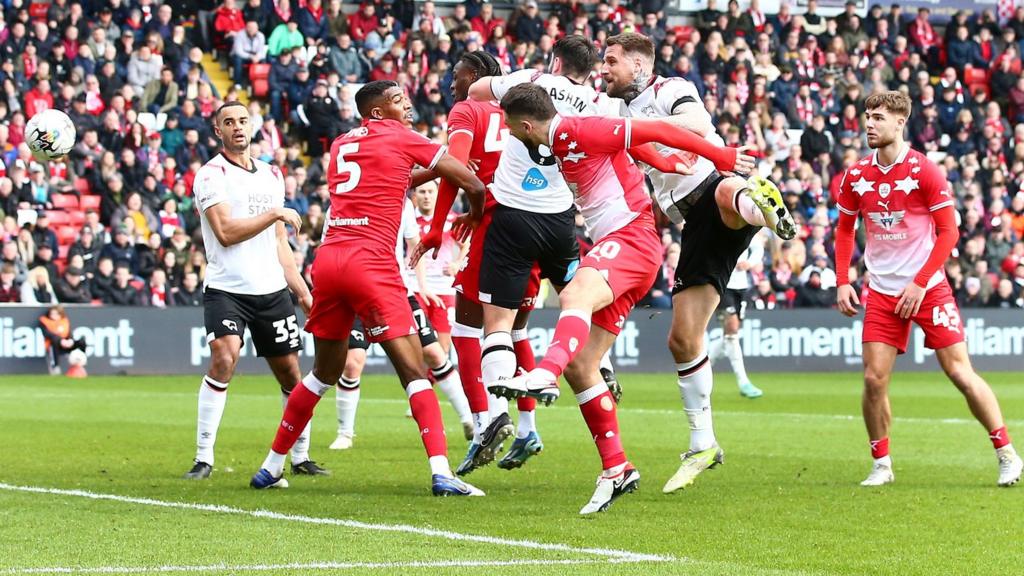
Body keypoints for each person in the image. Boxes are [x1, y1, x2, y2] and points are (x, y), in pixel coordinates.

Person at [495, 83, 755, 514]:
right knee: (584, 366)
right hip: (621, 245)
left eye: (509, 127)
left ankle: (544, 371)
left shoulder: (579, 129)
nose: (510, 133)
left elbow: (654, 128)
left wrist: (722, 157)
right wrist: (661, 160)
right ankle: (616, 469)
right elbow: (632, 147)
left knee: (575, 292)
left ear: (524, 125)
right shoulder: (561, 142)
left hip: (631, 239)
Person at [249, 80, 487, 497]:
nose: (408, 105)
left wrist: (433, 170)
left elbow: (396, 176)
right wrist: (475, 213)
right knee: (415, 372)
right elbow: (472, 183)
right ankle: (442, 471)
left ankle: (270, 466)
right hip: (371, 263)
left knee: (323, 373)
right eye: (397, 101)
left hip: (329, 260)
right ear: (377, 112)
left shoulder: (342, 142)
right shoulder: (401, 135)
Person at [599, 33, 795, 494]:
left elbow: (693, 121)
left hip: (712, 186)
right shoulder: (615, 112)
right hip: (691, 224)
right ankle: (703, 443)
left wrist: (650, 139)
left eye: (611, 62)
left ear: (639, 66)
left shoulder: (669, 89)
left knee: (725, 190)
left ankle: (756, 202)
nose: (604, 70)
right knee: (684, 339)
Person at [834, 90, 1023, 487]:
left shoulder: (923, 170)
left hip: (929, 289)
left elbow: (949, 232)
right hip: (883, 293)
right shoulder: (856, 175)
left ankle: (1007, 453)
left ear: (901, 122)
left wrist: (920, 283)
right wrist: (842, 280)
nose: (869, 123)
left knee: (959, 372)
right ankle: (881, 463)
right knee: (873, 379)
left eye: (879, 117)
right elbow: (845, 229)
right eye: (867, 116)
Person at [412, 51, 543, 476]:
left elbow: (454, 169)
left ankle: (487, 421)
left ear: (478, 75)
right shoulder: (528, 108)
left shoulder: (467, 109)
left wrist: (436, 227)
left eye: (458, 75)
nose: (452, 83)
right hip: (539, 226)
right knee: (515, 328)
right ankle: (527, 428)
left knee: (469, 329)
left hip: (494, 227)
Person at [183, 101, 326, 482]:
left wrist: (304, 293)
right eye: (228, 122)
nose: (237, 127)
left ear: (253, 125)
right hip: (227, 289)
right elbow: (226, 234)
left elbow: (280, 244)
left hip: (271, 290)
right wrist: (274, 214)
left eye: (243, 120)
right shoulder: (211, 176)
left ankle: (301, 456)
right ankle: (203, 457)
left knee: (290, 374)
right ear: (218, 131)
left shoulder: (271, 175)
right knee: (224, 358)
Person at [707, 235, 765, 398]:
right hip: (721, 285)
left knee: (730, 334)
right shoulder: (716, 226)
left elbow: (758, 248)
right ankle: (743, 382)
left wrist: (750, 263)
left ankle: (704, 365)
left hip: (741, 286)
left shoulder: (745, 226)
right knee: (732, 330)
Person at [38, 304, 87, 376]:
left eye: (56, 314)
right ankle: (55, 368)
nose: (54, 315)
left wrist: (70, 340)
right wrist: (61, 340)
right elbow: (48, 334)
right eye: (52, 313)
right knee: (54, 342)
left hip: (66, 344)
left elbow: (69, 333)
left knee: (81, 341)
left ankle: (80, 364)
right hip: (55, 345)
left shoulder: (64, 321)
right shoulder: (45, 322)